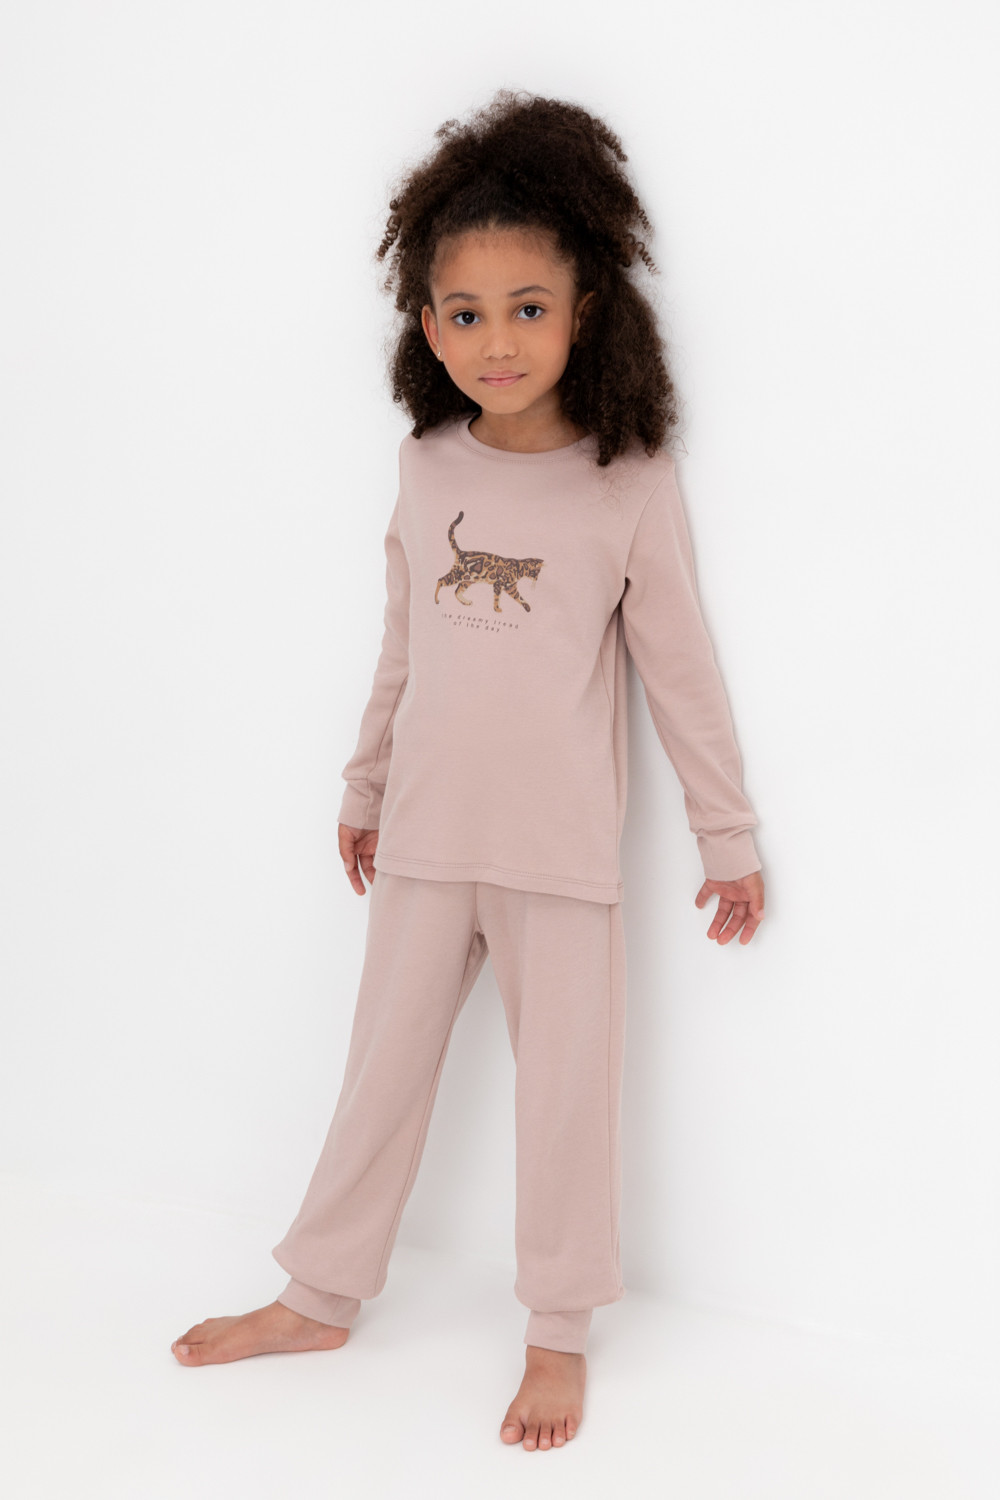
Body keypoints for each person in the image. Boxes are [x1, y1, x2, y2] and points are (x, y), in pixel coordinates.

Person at [170, 87, 765, 1452]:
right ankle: (319, 1295)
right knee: (378, 1074)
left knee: (566, 1101)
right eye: (466, 312)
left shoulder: (628, 481)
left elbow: (682, 673)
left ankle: (558, 1332)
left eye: (528, 308)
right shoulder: (427, 466)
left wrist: (725, 837)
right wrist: (364, 786)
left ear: (585, 313)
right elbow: (403, 644)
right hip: (429, 836)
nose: (497, 340)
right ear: (427, 327)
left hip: (560, 852)